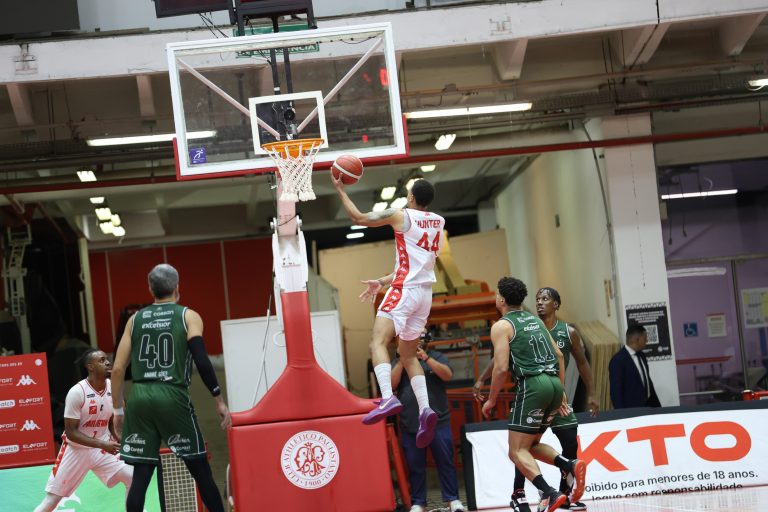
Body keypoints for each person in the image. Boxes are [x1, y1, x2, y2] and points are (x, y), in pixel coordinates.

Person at [332, 175, 445, 448]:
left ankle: (387, 397)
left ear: (411, 197)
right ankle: (425, 409)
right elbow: (418, 264)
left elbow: (358, 217)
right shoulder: (438, 222)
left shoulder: (400, 215)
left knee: (377, 342)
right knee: (408, 355)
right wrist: (382, 281)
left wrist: (340, 190)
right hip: (424, 296)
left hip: (404, 291)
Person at [111, 263, 231, 512]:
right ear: (177, 287)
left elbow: (118, 369)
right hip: (172, 395)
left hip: (140, 397)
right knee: (201, 472)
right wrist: (218, 399)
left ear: (150, 288)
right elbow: (201, 360)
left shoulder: (134, 320)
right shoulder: (188, 316)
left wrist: (118, 409)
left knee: (141, 477)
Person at [481, 277, 586, 512]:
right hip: (554, 384)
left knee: (516, 451)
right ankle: (569, 464)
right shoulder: (535, 320)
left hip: (533, 386)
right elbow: (559, 355)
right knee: (530, 445)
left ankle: (549, 492)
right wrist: (561, 392)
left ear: (501, 299)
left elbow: (500, 368)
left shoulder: (501, 326)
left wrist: (491, 399)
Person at [34, 349, 132, 512]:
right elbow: (71, 432)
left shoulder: (113, 387)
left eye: (107, 359)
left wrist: (120, 439)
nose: (107, 362)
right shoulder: (77, 392)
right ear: (90, 366)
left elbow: (111, 422)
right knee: (51, 501)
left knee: (133, 478)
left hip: (102, 449)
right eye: (101, 360)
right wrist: (102, 444)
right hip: (76, 450)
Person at [392, 333, 465, 512]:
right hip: (411, 423)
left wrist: (425, 358)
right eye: (415, 334)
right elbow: (391, 384)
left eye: (422, 335)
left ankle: (453, 500)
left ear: (428, 339)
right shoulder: (398, 361)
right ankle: (418, 502)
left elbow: (447, 375)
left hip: (438, 421)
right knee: (415, 465)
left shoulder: (436, 356)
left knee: (446, 462)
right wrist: (403, 359)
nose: (419, 338)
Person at [609, 323, 661, 409]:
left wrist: (658, 408)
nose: (647, 341)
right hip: (632, 411)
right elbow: (616, 392)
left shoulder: (642, 356)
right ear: (637, 340)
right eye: (645, 339)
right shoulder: (618, 361)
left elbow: (647, 382)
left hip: (649, 407)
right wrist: (622, 414)